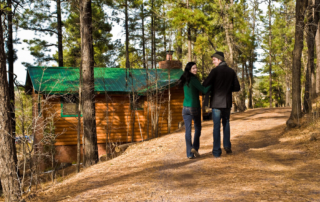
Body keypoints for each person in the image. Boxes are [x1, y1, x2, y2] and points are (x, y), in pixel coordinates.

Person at [203, 52, 240, 158]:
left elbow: (205, 84)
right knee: (226, 124)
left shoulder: (215, 71)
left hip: (216, 103)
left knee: (216, 127)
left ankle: (216, 151)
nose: (213, 62)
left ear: (219, 60)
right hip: (227, 103)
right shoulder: (231, 71)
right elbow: (237, 87)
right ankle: (227, 146)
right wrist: (228, 88)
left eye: (214, 60)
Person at [179, 62, 211, 159]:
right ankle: (195, 148)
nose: (195, 70)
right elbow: (204, 90)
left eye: (196, 68)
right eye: (193, 68)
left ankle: (189, 154)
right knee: (197, 128)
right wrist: (211, 85)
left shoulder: (184, 79)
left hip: (185, 109)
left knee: (187, 131)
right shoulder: (193, 79)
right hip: (194, 108)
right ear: (189, 70)